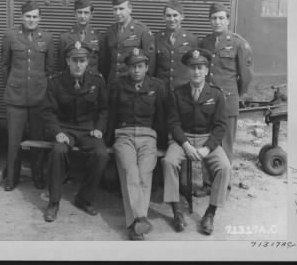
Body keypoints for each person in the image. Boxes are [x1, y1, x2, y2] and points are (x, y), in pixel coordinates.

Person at [162, 49, 231, 235]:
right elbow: (173, 122)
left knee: (224, 167)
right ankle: (176, 210)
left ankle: (210, 213)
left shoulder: (216, 94)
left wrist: (207, 149)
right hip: (182, 139)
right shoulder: (177, 93)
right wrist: (185, 144)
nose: (196, 72)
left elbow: (220, 126)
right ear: (187, 71)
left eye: (200, 68)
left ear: (207, 70)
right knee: (168, 162)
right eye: (193, 68)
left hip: (207, 140)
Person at [42, 41, 109, 222]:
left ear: (88, 62)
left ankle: (84, 198)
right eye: (74, 60)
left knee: (101, 154)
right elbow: (48, 111)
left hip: (88, 130)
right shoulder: (55, 82)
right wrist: (57, 132)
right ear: (67, 61)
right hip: (65, 129)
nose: (78, 65)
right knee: (58, 151)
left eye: (82, 61)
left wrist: (99, 129)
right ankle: (54, 201)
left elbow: (104, 109)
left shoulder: (97, 81)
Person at [107, 48, 166, 241]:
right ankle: (140, 219)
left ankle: (136, 224)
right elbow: (111, 114)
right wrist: (108, 141)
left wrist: (163, 143)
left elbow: (161, 117)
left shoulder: (156, 86)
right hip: (123, 136)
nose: (137, 70)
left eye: (140, 66)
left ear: (147, 67)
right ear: (127, 68)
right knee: (129, 171)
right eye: (133, 67)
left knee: (144, 173)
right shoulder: (118, 85)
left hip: (148, 137)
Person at [0, 0, 54, 191]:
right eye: (28, 16)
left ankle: (38, 177)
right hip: (15, 97)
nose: (31, 20)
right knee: (14, 140)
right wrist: (13, 84)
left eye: (35, 16)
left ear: (40, 18)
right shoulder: (10, 36)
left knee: (38, 140)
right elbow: (5, 65)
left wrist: (43, 90)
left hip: (39, 97)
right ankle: (12, 179)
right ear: (22, 17)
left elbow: (50, 69)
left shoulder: (46, 38)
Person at [200, 2, 253, 167]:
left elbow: (246, 77)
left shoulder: (238, 43)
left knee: (225, 144)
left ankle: (223, 186)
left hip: (228, 101)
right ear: (210, 20)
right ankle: (207, 183)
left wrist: (235, 95)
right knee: (207, 143)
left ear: (228, 20)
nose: (217, 22)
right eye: (214, 18)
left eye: (221, 18)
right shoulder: (205, 43)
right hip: (207, 101)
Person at [105, 0, 155, 83]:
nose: (117, 13)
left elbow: (150, 61)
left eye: (121, 9)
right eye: (115, 9)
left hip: (132, 83)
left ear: (130, 9)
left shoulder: (141, 30)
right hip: (113, 83)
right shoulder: (110, 31)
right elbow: (106, 61)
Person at [155, 0, 198, 92]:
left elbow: (196, 67)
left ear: (182, 17)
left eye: (175, 15)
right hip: (161, 91)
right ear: (163, 17)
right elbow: (151, 68)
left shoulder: (191, 39)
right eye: (168, 16)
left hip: (184, 91)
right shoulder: (156, 38)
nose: (172, 19)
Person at [58, 0, 106, 76]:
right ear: (75, 14)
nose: (82, 16)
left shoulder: (99, 37)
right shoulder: (64, 38)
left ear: (91, 15)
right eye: (79, 12)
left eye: (86, 13)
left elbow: (103, 66)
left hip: (92, 83)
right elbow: (62, 67)